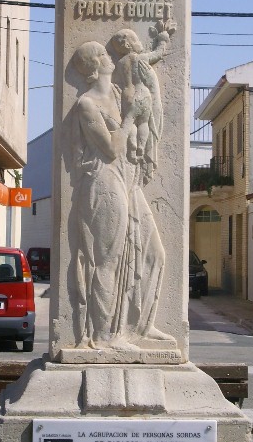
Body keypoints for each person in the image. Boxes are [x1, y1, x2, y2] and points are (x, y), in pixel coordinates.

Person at [71, 40, 172, 349]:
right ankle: (104, 336)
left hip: (128, 178)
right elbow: (112, 148)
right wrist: (130, 119)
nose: (109, 56)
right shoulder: (86, 104)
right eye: (102, 54)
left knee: (154, 253)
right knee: (108, 259)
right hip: (103, 180)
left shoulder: (116, 93)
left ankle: (141, 325)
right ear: (92, 67)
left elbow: (141, 111)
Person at [108, 20, 176, 181]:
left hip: (128, 95)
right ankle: (141, 147)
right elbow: (158, 53)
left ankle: (131, 149)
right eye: (136, 40)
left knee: (130, 122)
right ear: (129, 45)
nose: (140, 43)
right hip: (143, 94)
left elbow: (116, 82)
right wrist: (163, 38)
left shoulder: (120, 63)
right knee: (144, 123)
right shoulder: (141, 58)